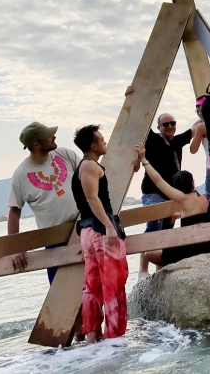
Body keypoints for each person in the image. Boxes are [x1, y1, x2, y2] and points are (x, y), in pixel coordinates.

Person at [72, 125, 128, 343]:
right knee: (114, 285)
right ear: (93, 146)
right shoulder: (89, 165)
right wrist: (108, 225)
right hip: (100, 231)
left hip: (87, 232)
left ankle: (92, 337)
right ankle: (114, 340)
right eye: (102, 140)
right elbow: (92, 198)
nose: (105, 142)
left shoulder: (84, 166)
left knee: (92, 286)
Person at [7, 122, 80, 282]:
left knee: (94, 285)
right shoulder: (21, 174)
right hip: (53, 240)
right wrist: (15, 248)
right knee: (59, 289)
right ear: (37, 144)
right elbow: (14, 212)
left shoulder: (65, 154)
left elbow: (91, 173)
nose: (54, 136)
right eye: (49, 136)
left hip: (83, 229)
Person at [138, 112, 195, 277]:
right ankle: (143, 270)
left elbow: (193, 130)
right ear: (158, 127)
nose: (170, 126)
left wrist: (202, 112)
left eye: (173, 123)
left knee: (167, 231)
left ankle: (160, 270)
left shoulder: (176, 142)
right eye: (166, 124)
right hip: (153, 192)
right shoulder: (153, 140)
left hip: (172, 194)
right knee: (153, 228)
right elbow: (142, 118)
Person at [189, 95, 210, 197]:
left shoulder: (201, 127)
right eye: (197, 111)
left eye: (201, 110)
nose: (199, 113)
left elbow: (192, 149)